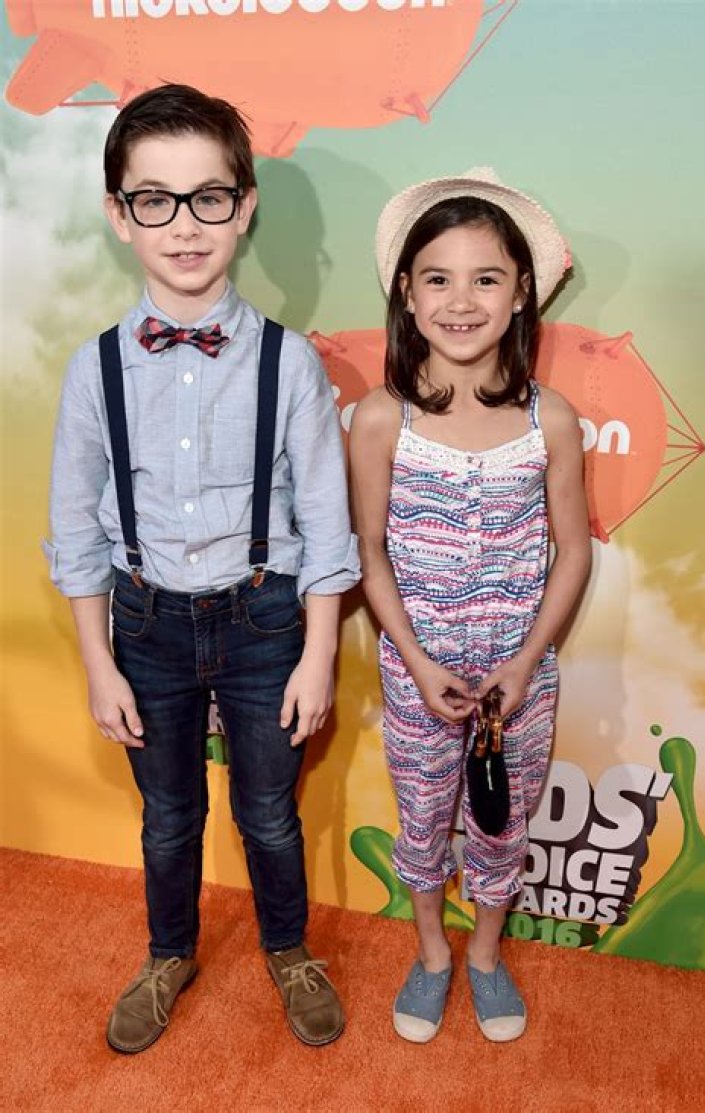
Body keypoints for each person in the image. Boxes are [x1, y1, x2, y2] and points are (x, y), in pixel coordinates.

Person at [44, 84, 359, 1054]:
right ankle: (168, 953)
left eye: (208, 198)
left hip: (266, 621)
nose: (184, 226)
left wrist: (317, 656)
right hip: (145, 625)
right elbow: (75, 531)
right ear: (120, 215)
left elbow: (327, 524)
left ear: (245, 206)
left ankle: (288, 948)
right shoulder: (95, 369)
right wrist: (99, 663)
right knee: (169, 816)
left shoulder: (290, 364)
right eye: (156, 200)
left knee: (269, 812)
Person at [349, 168, 591, 1044]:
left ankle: (485, 952)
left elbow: (574, 552)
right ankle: (432, 951)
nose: (461, 301)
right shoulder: (381, 419)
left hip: (518, 682)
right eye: (438, 279)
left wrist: (524, 664)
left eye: (486, 278)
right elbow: (370, 552)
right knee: (421, 819)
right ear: (406, 294)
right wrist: (417, 663)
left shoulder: (548, 419)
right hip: (418, 673)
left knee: (501, 819)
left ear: (521, 293)